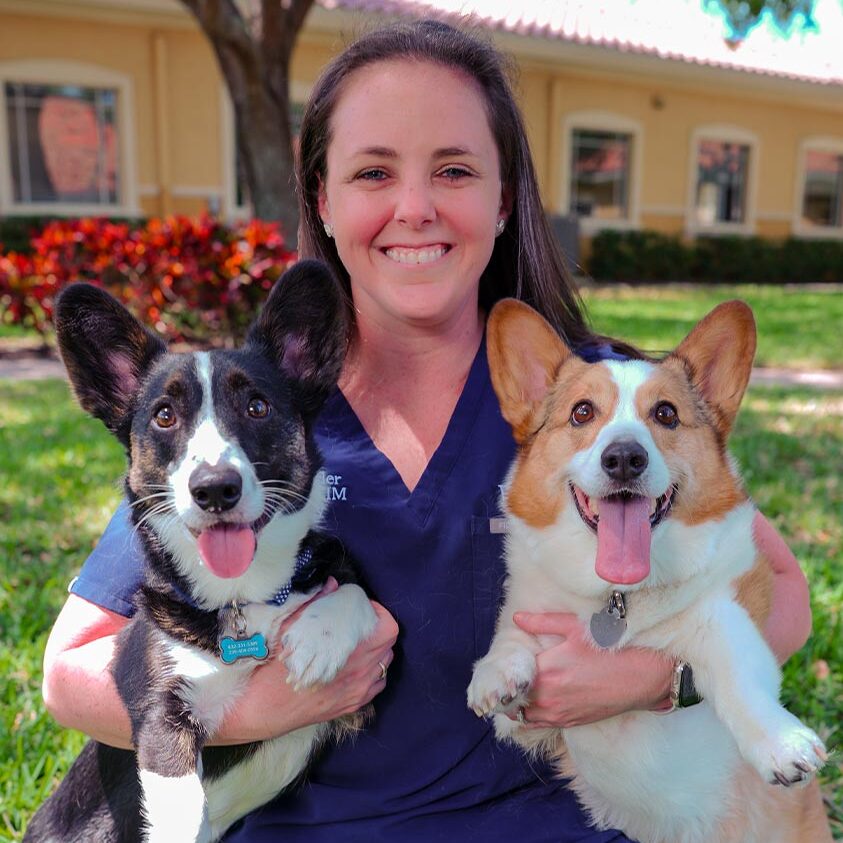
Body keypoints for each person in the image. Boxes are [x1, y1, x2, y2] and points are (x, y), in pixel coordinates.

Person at [40, 20, 812, 841]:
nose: (414, 208)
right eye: (374, 171)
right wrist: (251, 707)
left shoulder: (586, 403)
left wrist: (649, 678)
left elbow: (783, 596)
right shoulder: (251, 418)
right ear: (324, 201)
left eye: (453, 169)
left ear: (504, 197)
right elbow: (68, 669)